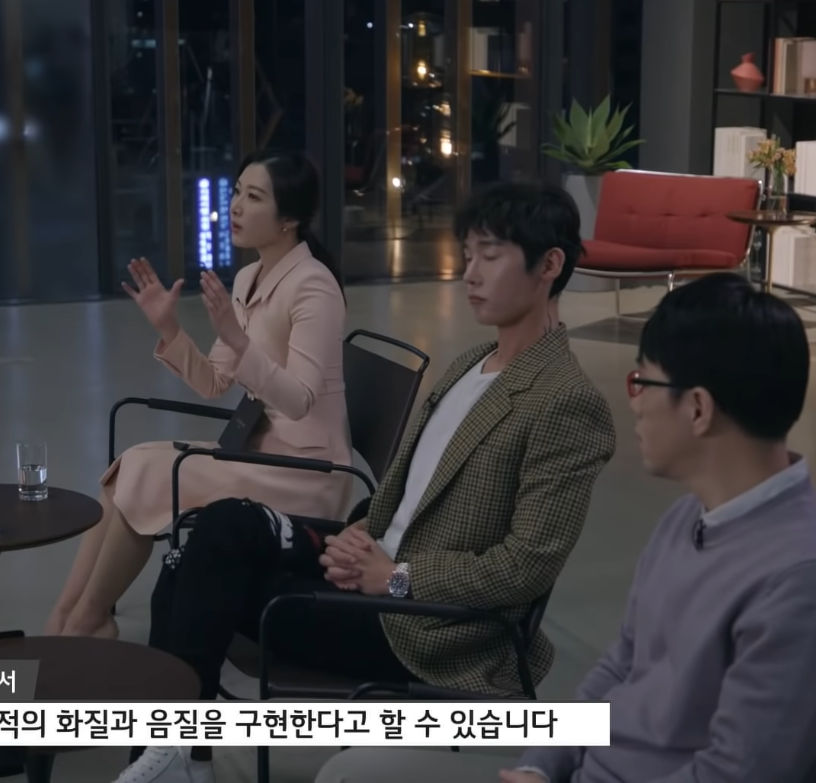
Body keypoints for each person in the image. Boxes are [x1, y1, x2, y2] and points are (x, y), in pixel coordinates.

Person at [116, 182, 617, 783]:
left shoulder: (566, 402)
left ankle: (174, 757)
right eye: (467, 255)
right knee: (217, 526)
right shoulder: (470, 364)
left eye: (490, 255)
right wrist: (359, 532)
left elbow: (524, 567)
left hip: (424, 623)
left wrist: (395, 577)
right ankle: (178, 756)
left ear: (550, 265)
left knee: (191, 576)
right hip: (370, 565)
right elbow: (409, 494)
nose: (470, 274)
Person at [316, 272, 816, 783]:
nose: (632, 403)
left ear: (698, 409)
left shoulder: (810, 582)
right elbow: (620, 667)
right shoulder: (689, 519)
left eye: (644, 383)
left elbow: (734, 772)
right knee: (351, 771)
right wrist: (542, 764)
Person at [45, 151, 353, 639]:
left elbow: (299, 400)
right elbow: (214, 381)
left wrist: (237, 340)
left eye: (254, 197)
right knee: (128, 467)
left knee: (150, 472)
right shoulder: (249, 277)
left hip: (305, 473)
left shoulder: (314, 287)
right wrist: (168, 327)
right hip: (258, 453)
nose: (236, 206)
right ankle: (66, 616)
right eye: (237, 192)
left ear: (289, 218)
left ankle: (87, 621)